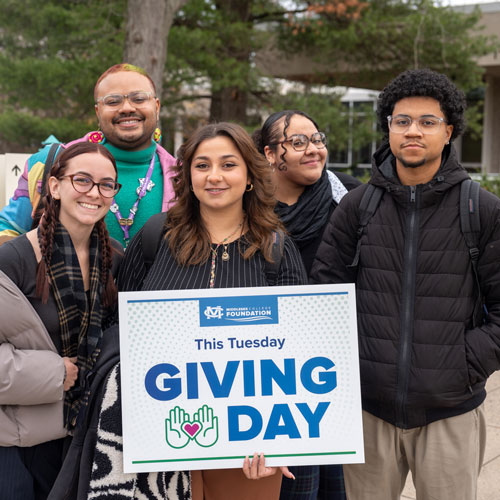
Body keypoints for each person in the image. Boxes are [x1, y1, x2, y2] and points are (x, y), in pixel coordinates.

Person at [311, 68, 500, 500]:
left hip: (449, 410)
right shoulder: (357, 207)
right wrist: (355, 362)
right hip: (367, 411)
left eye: (427, 121)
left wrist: (464, 363)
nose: (413, 131)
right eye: (402, 121)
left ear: (448, 131)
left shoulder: (481, 210)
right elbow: (325, 297)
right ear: (389, 128)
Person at [116, 122, 307, 500]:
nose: (214, 176)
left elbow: (298, 352)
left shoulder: (276, 249)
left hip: (250, 451)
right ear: (187, 175)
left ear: (250, 176)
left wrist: (287, 442)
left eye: (228, 165)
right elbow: (122, 324)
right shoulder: (156, 237)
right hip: (161, 439)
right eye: (202, 165)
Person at [0, 142, 123, 499]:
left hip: (86, 436)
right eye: (82, 180)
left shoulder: (115, 259)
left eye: (106, 184)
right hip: (17, 441)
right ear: (55, 186)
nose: (94, 193)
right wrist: (55, 374)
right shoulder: (14, 260)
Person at [253, 109, 361, 499]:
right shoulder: (248, 208)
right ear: (268, 153)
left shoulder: (349, 198)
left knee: (334, 484)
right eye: (298, 142)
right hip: (265, 370)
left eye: (317, 139)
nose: (313, 150)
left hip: (333, 371)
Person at [0, 63, 176, 248]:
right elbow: (7, 230)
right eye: (113, 101)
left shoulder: (185, 176)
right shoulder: (50, 163)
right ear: (98, 111)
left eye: (139, 99)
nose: (126, 108)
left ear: (156, 106)